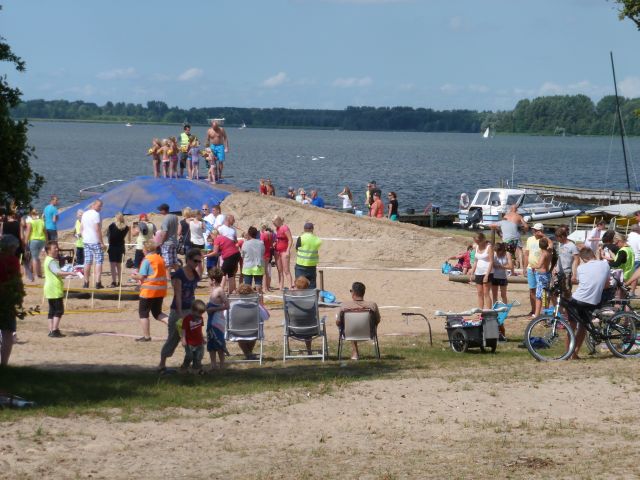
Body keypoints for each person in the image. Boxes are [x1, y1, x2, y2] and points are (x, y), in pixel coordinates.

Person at [159, 248, 202, 373]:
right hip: (178, 310)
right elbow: (177, 295)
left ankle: (188, 365)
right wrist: (179, 314)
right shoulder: (179, 275)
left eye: (199, 261)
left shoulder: (195, 274)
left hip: (191, 309)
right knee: (173, 338)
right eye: (195, 261)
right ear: (188, 260)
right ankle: (162, 364)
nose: (197, 264)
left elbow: (193, 292)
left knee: (192, 338)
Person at [565, 248, 610, 359]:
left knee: (571, 326)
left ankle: (568, 354)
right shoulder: (605, 265)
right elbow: (607, 285)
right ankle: (575, 352)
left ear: (583, 258)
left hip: (578, 299)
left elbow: (583, 282)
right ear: (593, 255)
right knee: (583, 327)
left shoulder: (581, 268)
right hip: (593, 301)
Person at [131, 240, 169, 342]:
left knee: (143, 313)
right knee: (157, 313)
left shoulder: (147, 260)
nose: (142, 251)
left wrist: (133, 276)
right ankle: (174, 323)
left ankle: (147, 336)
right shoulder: (160, 258)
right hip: (160, 291)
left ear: (146, 249)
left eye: (143, 249)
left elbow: (142, 277)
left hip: (148, 291)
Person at [336, 281, 381, 361]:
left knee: (349, 325)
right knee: (353, 325)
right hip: (369, 333)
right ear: (363, 293)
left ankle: (355, 352)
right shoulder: (372, 305)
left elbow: (338, 322)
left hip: (349, 333)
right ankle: (355, 351)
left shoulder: (344, 306)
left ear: (353, 293)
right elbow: (377, 320)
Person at [43, 241, 76, 337]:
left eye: (57, 247)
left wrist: (66, 275)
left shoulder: (48, 260)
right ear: (49, 250)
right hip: (54, 288)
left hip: (50, 288)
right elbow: (57, 272)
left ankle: (51, 330)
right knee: (59, 310)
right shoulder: (51, 261)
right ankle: (54, 330)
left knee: (52, 310)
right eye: (54, 248)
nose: (57, 249)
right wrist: (70, 273)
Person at [0, 235, 22, 366]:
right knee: (8, 333)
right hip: (7, 298)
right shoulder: (12, 260)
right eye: (15, 247)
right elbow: (16, 280)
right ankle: (3, 364)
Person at [233, 283, 270, 359]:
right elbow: (266, 316)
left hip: (236, 331)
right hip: (253, 331)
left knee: (241, 333)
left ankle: (248, 354)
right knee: (254, 330)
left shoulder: (232, 305)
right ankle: (249, 354)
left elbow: (225, 316)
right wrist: (259, 303)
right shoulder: (256, 305)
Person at [206, 267, 230, 370]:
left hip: (217, 320)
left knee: (219, 342)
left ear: (214, 280)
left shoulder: (220, 290)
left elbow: (227, 305)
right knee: (211, 342)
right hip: (211, 319)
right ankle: (213, 365)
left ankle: (222, 365)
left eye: (210, 279)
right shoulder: (213, 289)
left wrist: (214, 308)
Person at [206, 229, 241, 294]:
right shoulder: (223, 237)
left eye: (211, 236)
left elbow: (215, 252)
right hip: (236, 254)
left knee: (221, 273)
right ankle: (231, 291)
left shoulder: (217, 239)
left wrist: (205, 255)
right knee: (230, 274)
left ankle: (218, 291)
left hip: (230, 256)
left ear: (213, 234)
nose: (212, 238)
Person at [495, 204, 528, 269]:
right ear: (516, 209)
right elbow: (526, 226)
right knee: (520, 249)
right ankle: (521, 266)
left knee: (509, 250)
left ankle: (512, 265)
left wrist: (500, 234)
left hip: (507, 235)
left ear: (510, 209)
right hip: (515, 234)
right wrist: (524, 231)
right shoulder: (519, 216)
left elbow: (499, 226)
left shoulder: (506, 216)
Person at [81, 199, 105, 289]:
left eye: (101, 206)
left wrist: (84, 237)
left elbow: (82, 228)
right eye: (99, 206)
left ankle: (86, 282)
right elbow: (97, 229)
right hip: (94, 240)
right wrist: (101, 242)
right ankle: (97, 282)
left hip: (86, 240)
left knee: (87, 261)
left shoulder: (85, 214)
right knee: (98, 261)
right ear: (94, 205)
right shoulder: (96, 214)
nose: (100, 208)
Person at [492, 242, 513, 341]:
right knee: (495, 295)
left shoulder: (507, 254)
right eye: (496, 252)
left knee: (503, 294)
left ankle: (505, 309)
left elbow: (510, 266)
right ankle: (494, 309)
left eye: (499, 252)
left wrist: (501, 266)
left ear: (502, 250)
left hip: (502, 276)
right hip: (495, 276)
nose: (497, 253)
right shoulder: (494, 254)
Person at [524, 223, 546, 316]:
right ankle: (533, 310)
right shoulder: (529, 239)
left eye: (536, 230)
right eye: (534, 230)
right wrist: (525, 267)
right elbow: (526, 254)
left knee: (542, 291)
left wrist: (544, 236)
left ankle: (543, 311)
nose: (534, 231)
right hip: (530, 268)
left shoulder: (544, 240)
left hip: (540, 269)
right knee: (532, 289)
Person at [180, 299, 206, 373]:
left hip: (199, 342)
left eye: (202, 313)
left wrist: (202, 338)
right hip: (189, 342)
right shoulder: (187, 319)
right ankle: (184, 367)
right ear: (193, 311)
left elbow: (200, 329)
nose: (200, 315)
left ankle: (196, 369)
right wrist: (183, 339)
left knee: (198, 356)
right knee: (189, 356)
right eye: (199, 313)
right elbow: (183, 329)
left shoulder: (201, 318)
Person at [553, 226, 579, 299]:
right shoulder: (560, 244)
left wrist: (574, 274)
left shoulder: (572, 246)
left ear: (563, 236)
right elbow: (559, 257)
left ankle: (567, 309)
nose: (557, 239)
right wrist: (555, 267)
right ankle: (559, 309)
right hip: (559, 272)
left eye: (558, 237)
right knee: (556, 291)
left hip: (567, 272)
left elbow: (577, 260)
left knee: (566, 292)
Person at [470, 232, 493, 309]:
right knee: (479, 293)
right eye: (476, 241)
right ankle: (480, 312)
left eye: (478, 241)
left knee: (486, 293)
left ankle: (489, 312)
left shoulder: (489, 247)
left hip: (487, 272)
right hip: (478, 272)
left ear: (482, 240)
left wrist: (487, 275)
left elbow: (491, 262)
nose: (477, 243)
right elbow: (475, 261)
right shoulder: (476, 247)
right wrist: (472, 272)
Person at [295, 222, 322, 289]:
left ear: (304, 229)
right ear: (312, 229)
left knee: (299, 286)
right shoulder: (317, 240)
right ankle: (311, 299)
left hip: (300, 265)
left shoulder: (300, 238)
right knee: (311, 287)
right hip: (312, 266)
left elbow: (297, 249)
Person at [106, 212, 130, 288]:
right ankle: (120, 281)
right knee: (119, 265)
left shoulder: (112, 226)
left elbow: (109, 237)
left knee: (113, 265)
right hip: (121, 247)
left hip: (113, 246)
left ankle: (114, 282)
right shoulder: (126, 227)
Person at [241, 226, 265, 293]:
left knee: (247, 287)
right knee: (258, 285)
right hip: (258, 266)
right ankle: (260, 301)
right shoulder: (261, 243)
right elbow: (263, 253)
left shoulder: (245, 243)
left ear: (249, 234)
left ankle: (249, 301)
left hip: (248, 266)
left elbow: (242, 255)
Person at [24, 208, 46, 279]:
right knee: (37, 257)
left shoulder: (31, 222)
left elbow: (28, 232)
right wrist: (47, 241)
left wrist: (25, 242)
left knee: (34, 258)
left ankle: (36, 275)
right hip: (42, 240)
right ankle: (40, 273)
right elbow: (45, 232)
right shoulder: (41, 221)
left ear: (31, 215)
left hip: (34, 240)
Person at [533, 237, 552, 317]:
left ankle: (537, 315)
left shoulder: (543, 254)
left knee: (539, 296)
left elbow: (539, 265)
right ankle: (545, 313)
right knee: (545, 296)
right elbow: (551, 244)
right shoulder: (549, 253)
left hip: (542, 276)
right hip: (547, 274)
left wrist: (533, 266)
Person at [273, 215, 293, 289]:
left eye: (274, 222)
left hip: (284, 251)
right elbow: (278, 239)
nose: (274, 224)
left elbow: (290, 240)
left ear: (278, 221)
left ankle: (290, 286)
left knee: (286, 270)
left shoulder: (285, 228)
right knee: (279, 270)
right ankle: (281, 286)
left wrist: (288, 250)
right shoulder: (277, 228)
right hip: (277, 251)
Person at [157, 203, 179, 271]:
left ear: (164, 210)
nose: (160, 212)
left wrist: (161, 242)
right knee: (175, 262)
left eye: (160, 210)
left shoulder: (166, 219)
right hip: (174, 242)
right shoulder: (175, 217)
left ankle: (168, 279)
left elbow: (165, 232)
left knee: (167, 264)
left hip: (167, 243)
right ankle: (179, 275)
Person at [260, 224, 275, 291]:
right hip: (268, 254)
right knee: (266, 271)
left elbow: (261, 244)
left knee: (263, 271)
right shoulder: (271, 235)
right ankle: (267, 286)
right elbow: (271, 245)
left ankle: (264, 287)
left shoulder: (263, 235)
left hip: (263, 254)